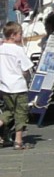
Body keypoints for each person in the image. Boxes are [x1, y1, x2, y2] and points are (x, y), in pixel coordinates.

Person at [0, 21, 33, 149]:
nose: (22, 36)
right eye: (20, 34)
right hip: (18, 86)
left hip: (4, 86)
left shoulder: (1, 49)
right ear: (13, 35)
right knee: (21, 112)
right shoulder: (18, 50)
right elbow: (26, 68)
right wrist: (26, 76)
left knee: (9, 111)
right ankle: (18, 141)